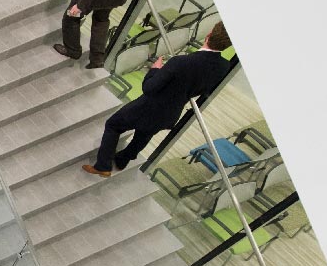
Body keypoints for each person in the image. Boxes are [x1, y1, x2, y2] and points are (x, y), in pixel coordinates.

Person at [83, 22, 233, 177]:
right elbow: (202, 90)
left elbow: (149, 88)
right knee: (144, 134)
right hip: (170, 113)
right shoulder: (223, 66)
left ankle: (103, 166)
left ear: (208, 35)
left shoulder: (180, 62)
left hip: (146, 107)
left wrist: (155, 69)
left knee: (113, 125)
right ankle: (122, 160)